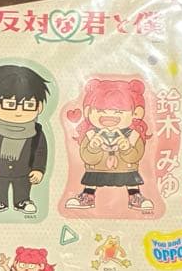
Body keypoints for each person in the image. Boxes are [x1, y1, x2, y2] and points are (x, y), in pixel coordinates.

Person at [65, 77, 152, 211]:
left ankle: (135, 196)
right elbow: (86, 157)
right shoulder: (90, 134)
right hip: (97, 170)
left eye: (119, 111)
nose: (109, 115)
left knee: (131, 180)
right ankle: (88, 195)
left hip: (126, 170)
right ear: (88, 111)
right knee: (91, 180)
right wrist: (93, 148)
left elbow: (137, 156)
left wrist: (127, 149)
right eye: (100, 111)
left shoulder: (134, 136)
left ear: (136, 113)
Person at [0, 64, 50, 215]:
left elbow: (40, 152)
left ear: (39, 107)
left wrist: (38, 169)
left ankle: (22, 201)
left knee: (22, 185)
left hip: (23, 171)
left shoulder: (36, 132)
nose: (19, 111)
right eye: (10, 104)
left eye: (29, 105)